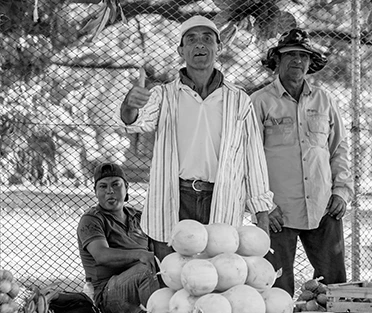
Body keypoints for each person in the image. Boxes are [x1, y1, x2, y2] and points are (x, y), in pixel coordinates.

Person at [119, 15, 274, 262]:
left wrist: (261, 215)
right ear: (181, 50)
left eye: (207, 39)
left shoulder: (238, 100)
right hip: (175, 197)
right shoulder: (164, 95)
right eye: (191, 39)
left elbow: (253, 159)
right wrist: (130, 104)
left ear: (219, 48)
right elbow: (135, 121)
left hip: (221, 198)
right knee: (172, 279)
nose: (199, 45)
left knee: (217, 280)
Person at [251, 28, 354, 296]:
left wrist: (341, 191)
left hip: (323, 206)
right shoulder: (259, 102)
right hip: (277, 212)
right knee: (276, 287)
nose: (297, 60)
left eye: (303, 55)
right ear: (277, 60)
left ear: (310, 62)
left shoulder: (325, 100)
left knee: (334, 285)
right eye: (290, 55)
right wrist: (263, 205)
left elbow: (339, 148)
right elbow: (248, 159)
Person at [76, 162, 159, 313]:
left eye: (116, 184)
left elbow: (155, 254)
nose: (110, 191)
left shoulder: (140, 217)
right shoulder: (92, 219)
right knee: (146, 270)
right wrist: (139, 254)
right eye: (103, 186)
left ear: (126, 187)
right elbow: (101, 255)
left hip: (139, 286)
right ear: (95, 191)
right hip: (107, 295)